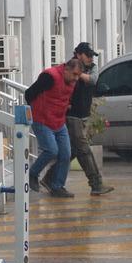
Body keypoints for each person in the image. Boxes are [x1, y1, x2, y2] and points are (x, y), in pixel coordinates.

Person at [42, 42, 114, 196]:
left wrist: (78, 73)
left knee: (73, 151)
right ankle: (96, 184)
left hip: (83, 115)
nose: (90, 58)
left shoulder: (88, 68)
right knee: (83, 149)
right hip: (71, 116)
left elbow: (93, 80)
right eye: (87, 55)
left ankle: (49, 178)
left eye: (91, 56)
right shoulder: (68, 69)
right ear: (78, 54)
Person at [25, 59, 84, 198]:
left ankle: (57, 186)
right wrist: (37, 110)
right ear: (66, 69)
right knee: (51, 150)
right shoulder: (49, 77)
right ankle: (32, 174)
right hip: (42, 120)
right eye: (74, 74)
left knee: (65, 154)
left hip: (58, 121)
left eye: (78, 76)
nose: (76, 78)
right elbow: (29, 93)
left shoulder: (72, 81)